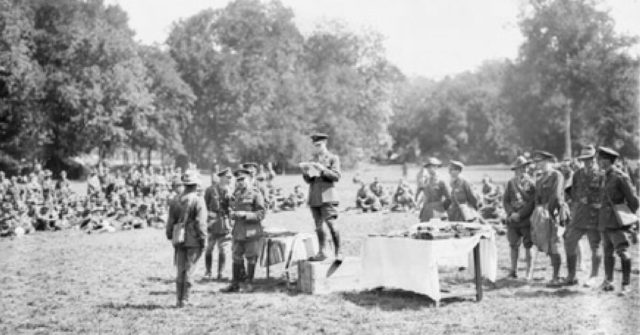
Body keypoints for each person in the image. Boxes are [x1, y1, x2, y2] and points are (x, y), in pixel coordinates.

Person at [597, 147, 639, 295]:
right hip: (605, 221)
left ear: (608, 160)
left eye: (601, 159)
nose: (598, 161)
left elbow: (634, 201)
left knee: (622, 252)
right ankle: (609, 281)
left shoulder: (620, 177)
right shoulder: (604, 176)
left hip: (617, 222)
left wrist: (626, 217)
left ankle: (626, 285)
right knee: (608, 253)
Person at [165, 170, 207, 307]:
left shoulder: (175, 200)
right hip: (193, 238)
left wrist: (171, 235)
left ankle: (178, 299)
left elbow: (170, 222)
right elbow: (201, 223)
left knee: (180, 269)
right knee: (190, 269)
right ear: (195, 185)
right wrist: (203, 239)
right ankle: (185, 299)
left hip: (179, 238)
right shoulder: (198, 200)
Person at [562, 145, 603, 287]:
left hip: (594, 215)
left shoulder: (601, 174)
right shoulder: (578, 174)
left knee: (595, 245)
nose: (586, 162)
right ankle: (571, 275)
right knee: (569, 241)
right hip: (579, 215)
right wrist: (578, 200)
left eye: (589, 159)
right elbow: (572, 192)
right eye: (584, 159)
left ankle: (594, 276)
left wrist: (592, 200)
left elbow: (605, 194)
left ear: (594, 158)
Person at [221, 169, 266, 293]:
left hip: (251, 231)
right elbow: (229, 206)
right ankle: (235, 283)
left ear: (249, 179)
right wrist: (231, 213)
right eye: (238, 180)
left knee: (251, 258)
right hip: (238, 231)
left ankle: (249, 284)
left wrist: (245, 214)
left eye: (242, 179)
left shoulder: (256, 193)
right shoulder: (236, 193)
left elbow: (261, 214)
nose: (240, 182)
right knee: (236, 257)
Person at [530, 150, 569, 287]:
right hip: (543, 213)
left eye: (539, 161)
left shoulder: (556, 175)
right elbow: (537, 199)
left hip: (555, 212)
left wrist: (551, 212)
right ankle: (555, 275)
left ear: (547, 161)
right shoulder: (540, 178)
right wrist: (537, 212)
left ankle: (557, 276)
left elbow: (556, 196)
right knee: (547, 242)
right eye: (536, 162)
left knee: (555, 243)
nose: (537, 164)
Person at [301, 133, 342, 261]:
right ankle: (322, 252)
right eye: (315, 145)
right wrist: (305, 172)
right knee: (319, 226)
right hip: (315, 196)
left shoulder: (332, 158)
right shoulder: (312, 159)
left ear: (325, 144)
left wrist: (323, 169)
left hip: (328, 196)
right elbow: (310, 180)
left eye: (319, 145)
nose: (317, 148)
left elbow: (336, 176)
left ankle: (339, 252)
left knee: (331, 224)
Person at [503, 156, 536, 280]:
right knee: (513, 245)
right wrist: (511, 213)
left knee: (528, 245)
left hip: (526, 219)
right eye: (520, 168)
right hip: (513, 220)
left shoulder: (532, 183)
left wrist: (520, 214)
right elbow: (505, 201)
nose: (523, 170)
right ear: (515, 169)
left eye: (525, 167)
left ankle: (528, 272)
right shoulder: (510, 183)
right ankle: (513, 270)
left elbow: (532, 202)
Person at [203, 168, 234, 280]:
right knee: (209, 248)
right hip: (212, 223)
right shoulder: (210, 190)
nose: (230, 179)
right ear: (221, 178)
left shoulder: (231, 191)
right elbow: (204, 206)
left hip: (224, 223)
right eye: (228, 177)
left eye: (231, 177)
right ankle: (208, 272)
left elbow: (233, 207)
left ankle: (220, 273)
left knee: (223, 249)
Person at [416, 157, 451, 222]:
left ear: (436, 167)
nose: (429, 169)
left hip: (438, 211)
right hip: (426, 212)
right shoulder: (426, 180)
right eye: (427, 167)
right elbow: (424, 195)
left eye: (431, 167)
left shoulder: (441, 181)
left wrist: (442, 208)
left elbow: (449, 198)